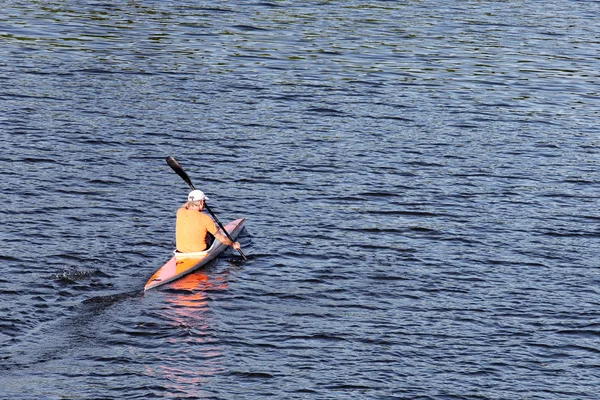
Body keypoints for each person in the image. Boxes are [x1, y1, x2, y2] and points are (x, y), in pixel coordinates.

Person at [175, 190, 241, 253]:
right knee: (212, 233)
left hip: (181, 251)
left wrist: (191, 200)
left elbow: (184, 206)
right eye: (204, 202)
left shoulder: (180, 212)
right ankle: (216, 231)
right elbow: (222, 239)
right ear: (201, 202)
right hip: (199, 252)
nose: (204, 204)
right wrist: (233, 244)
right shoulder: (205, 218)